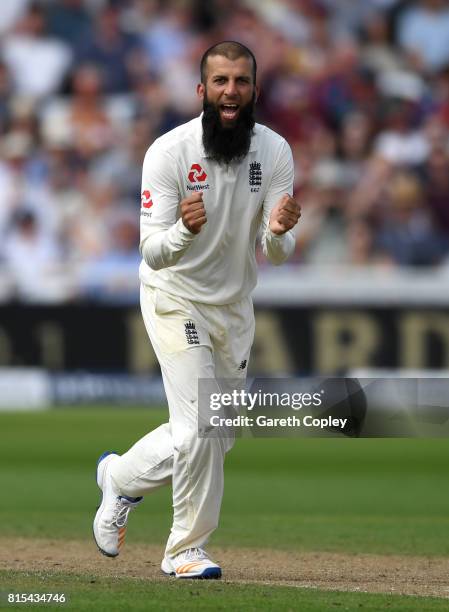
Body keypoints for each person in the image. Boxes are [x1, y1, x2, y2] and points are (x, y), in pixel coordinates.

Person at [93, 41, 301, 579]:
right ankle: (185, 549)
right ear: (201, 90)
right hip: (173, 295)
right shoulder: (169, 151)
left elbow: (276, 250)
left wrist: (279, 233)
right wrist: (184, 230)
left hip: (233, 307)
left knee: (214, 434)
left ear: (254, 89)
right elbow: (151, 250)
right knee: (204, 428)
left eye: (241, 81)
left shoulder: (274, 151)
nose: (231, 91)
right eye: (221, 81)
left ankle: (121, 477)